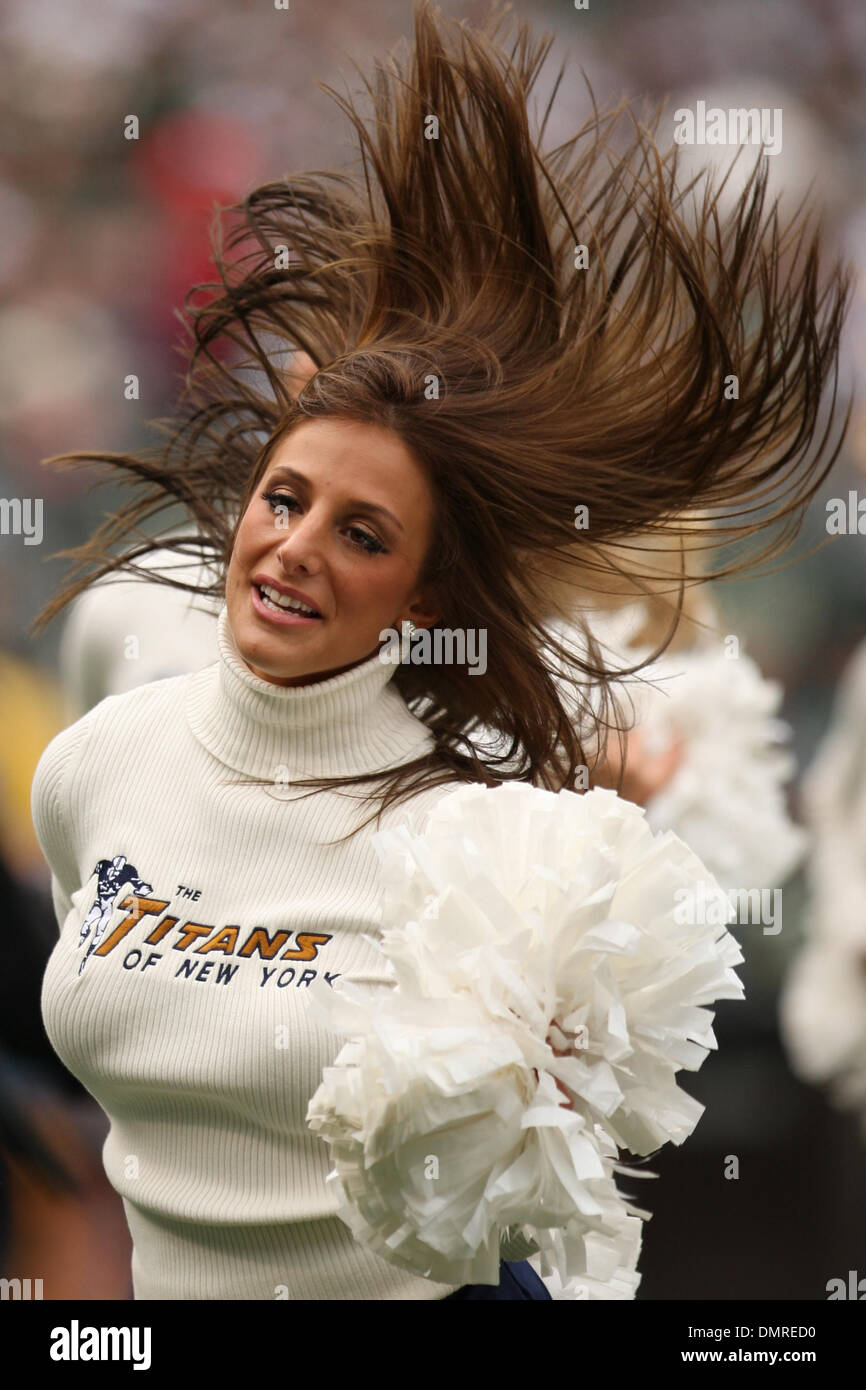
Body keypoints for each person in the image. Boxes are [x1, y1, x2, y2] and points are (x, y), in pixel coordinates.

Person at [28, 0, 851, 1300]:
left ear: (423, 595)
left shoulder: (488, 829)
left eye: (363, 534)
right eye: (285, 500)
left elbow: (536, 1184)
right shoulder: (94, 762)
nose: (295, 548)